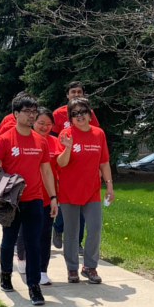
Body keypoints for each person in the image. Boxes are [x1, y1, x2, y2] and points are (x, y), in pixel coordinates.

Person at [0, 94, 58, 304]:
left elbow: (46, 171)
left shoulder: (41, 141)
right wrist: (5, 182)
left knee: (33, 243)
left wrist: (53, 197)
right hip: (11, 201)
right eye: (27, 111)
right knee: (8, 240)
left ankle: (34, 286)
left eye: (33, 111)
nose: (31, 115)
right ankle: (5, 274)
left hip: (35, 199)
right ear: (16, 114)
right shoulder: (5, 139)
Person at [57, 97, 114, 284]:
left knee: (95, 227)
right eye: (75, 113)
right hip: (68, 191)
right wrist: (67, 148)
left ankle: (90, 267)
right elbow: (61, 163)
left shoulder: (99, 134)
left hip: (91, 191)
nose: (79, 116)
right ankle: (72, 269)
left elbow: (104, 162)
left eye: (83, 112)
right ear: (70, 118)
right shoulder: (66, 134)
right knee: (72, 233)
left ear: (90, 114)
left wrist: (109, 185)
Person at [51, 81, 99, 251]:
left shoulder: (89, 113)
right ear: (67, 95)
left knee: (82, 207)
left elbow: (95, 135)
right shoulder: (58, 114)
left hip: (84, 167)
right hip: (64, 163)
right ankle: (57, 228)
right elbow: (51, 138)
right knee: (67, 204)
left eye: (79, 91)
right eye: (73, 92)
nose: (76, 94)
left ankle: (77, 243)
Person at [15, 107, 61, 285]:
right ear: (33, 122)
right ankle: (22, 257)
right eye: (41, 123)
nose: (45, 127)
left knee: (44, 234)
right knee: (24, 231)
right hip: (25, 195)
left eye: (49, 124)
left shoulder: (54, 142)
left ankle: (42, 270)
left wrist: (54, 196)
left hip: (47, 195)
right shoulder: (23, 140)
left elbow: (57, 167)